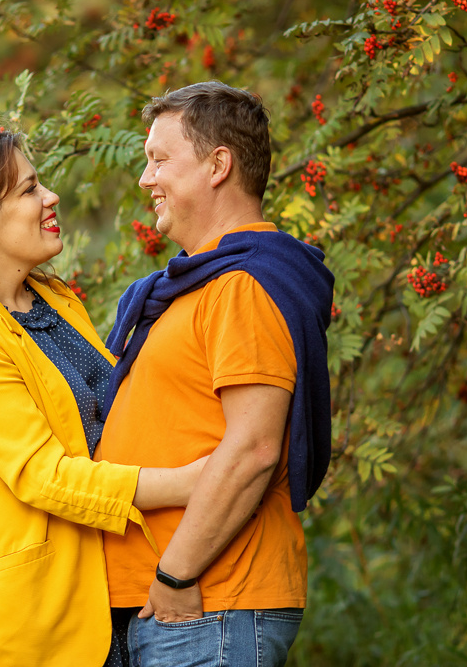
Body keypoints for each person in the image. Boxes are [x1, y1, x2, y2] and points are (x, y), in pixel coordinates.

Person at [0, 128, 205, 667]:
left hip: (100, 604)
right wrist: (189, 483)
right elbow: (45, 474)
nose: (50, 197)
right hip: (18, 630)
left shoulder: (54, 298)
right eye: (28, 190)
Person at [98, 82, 335, 667]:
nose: (145, 179)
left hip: (208, 603)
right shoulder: (196, 288)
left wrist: (176, 575)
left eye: (159, 160)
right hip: (170, 607)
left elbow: (254, 447)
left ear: (217, 165)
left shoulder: (244, 286)